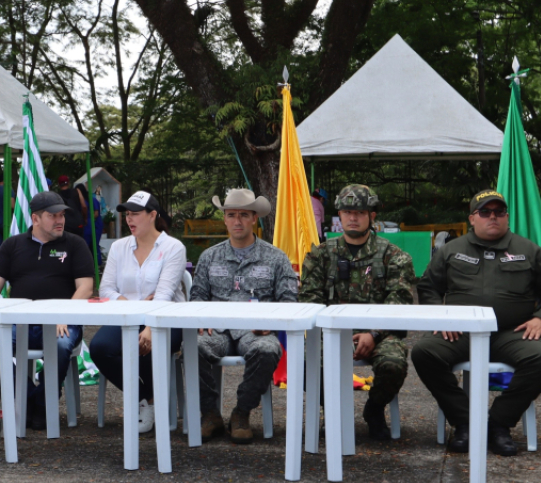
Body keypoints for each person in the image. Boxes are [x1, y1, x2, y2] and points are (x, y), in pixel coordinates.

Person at [411, 190, 541, 456]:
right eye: (485, 212)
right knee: (424, 353)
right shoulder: (451, 250)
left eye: (499, 212)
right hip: (461, 332)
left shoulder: (528, 250)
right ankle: (466, 422)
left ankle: (499, 424)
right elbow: (428, 288)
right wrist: (442, 316)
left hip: (512, 333)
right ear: (472, 218)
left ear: (507, 217)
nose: (492, 217)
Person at [299, 185, 416, 441]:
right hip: (331, 333)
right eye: (347, 211)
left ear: (372, 216)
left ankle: (373, 410)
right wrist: (334, 334)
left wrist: (373, 333)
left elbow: (401, 301)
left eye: (360, 212)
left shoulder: (393, 255)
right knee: (305, 364)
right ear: (339, 215)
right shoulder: (320, 255)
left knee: (394, 364)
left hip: (379, 334)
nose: (353, 217)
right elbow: (309, 301)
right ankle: (333, 410)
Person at [190, 188, 300, 443]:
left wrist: (270, 324)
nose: (237, 221)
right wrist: (201, 320)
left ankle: (241, 412)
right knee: (192, 346)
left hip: (255, 330)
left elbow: (289, 301)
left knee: (268, 349)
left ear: (254, 219)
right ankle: (209, 413)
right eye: (231, 215)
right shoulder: (210, 256)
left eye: (243, 215)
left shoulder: (276, 258)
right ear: (225, 219)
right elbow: (197, 298)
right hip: (217, 330)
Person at [0, 191, 95, 430]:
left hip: (60, 322)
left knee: (62, 345)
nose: (60, 220)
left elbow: (86, 287)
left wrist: (63, 314)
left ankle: (42, 402)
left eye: (62, 214)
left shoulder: (75, 244)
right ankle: (27, 396)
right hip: (17, 322)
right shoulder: (13, 245)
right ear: (35, 219)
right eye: (53, 215)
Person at [89, 191, 188, 433]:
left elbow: (164, 296)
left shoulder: (173, 247)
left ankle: (150, 403)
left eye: (135, 214)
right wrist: (137, 305)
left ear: (153, 215)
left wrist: (150, 327)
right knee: (100, 348)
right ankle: (147, 398)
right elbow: (106, 289)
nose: (129, 219)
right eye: (127, 215)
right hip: (127, 316)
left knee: (146, 344)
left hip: (166, 319)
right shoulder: (119, 247)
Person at [56, 174, 89, 238]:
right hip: (78, 222)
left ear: (59, 185)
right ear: (68, 183)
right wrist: (85, 218)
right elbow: (84, 206)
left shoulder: (57, 196)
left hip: (65, 224)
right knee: (79, 243)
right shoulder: (77, 191)